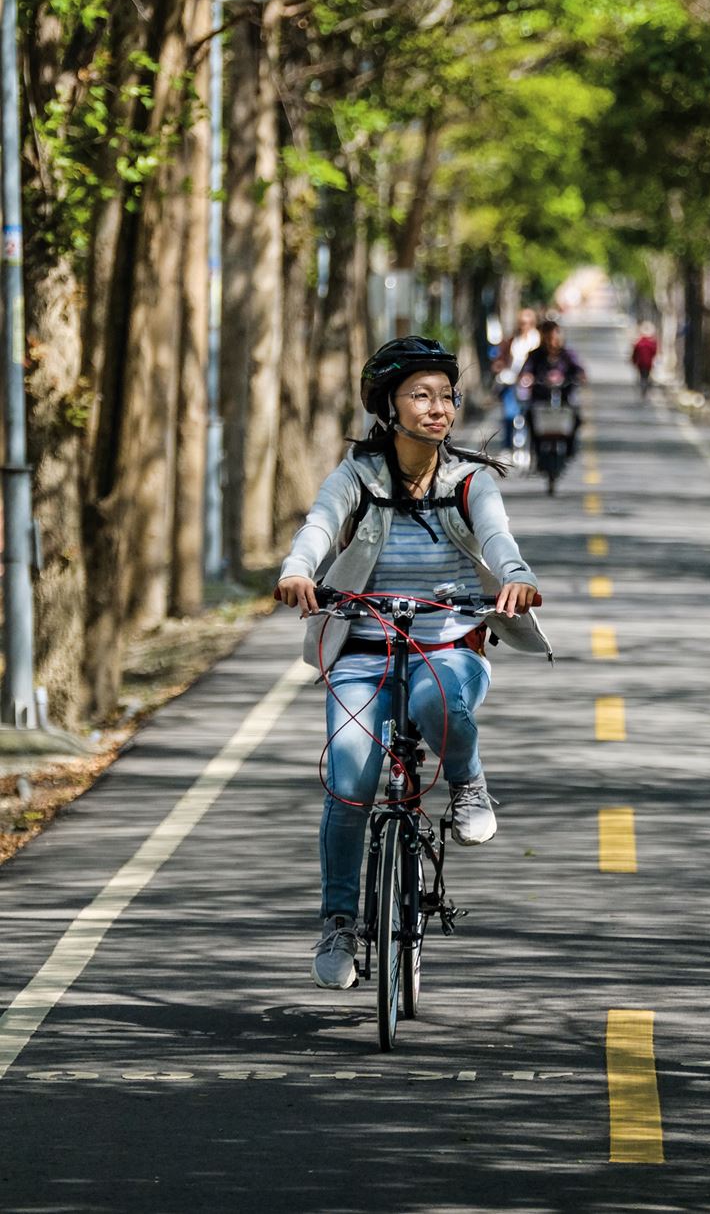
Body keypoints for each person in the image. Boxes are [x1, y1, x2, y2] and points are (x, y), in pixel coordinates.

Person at [276, 335, 545, 991]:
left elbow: (498, 539)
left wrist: (515, 578)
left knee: (438, 699)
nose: (438, 408)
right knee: (347, 781)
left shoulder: (468, 480)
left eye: (445, 396)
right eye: (420, 396)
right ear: (387, 407)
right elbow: (318, 524)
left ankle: (470, 786)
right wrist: (297, 570)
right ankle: (339, 922)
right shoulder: (357, 478)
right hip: (362, 652)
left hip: (449, 644)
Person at [518, 318, 586, 457]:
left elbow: (578, 369)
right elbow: (526, 371)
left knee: (576, 416)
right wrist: (527, 377)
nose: (552, 341)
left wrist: (579, 376)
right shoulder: (535, 355)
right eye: (548, 337)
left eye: (554, 337)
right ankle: (535, 450)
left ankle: (570, 448)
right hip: (540, 398)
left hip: (564, 397)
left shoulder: (567, 354)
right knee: (529, 416)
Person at [492, 307, 540, 451]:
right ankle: (507, 447)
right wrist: (499, 365)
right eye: (522, 322)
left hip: (530, 385)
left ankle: (527, 448)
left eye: (528, 322)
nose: (524, 326)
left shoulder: (538, 340)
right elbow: (501, 357)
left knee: (527, 416)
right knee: (509, 415)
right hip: (510, 382)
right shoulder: (513, 339)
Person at [631, 322, 659, 396]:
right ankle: (645, 386)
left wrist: (633, 361)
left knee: (642, 375)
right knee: (646, 375)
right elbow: (654, 353)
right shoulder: (652, 343)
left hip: (640, 363)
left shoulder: (638, 343)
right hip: (648, 363)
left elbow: (635, 353)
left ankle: (643, 386)